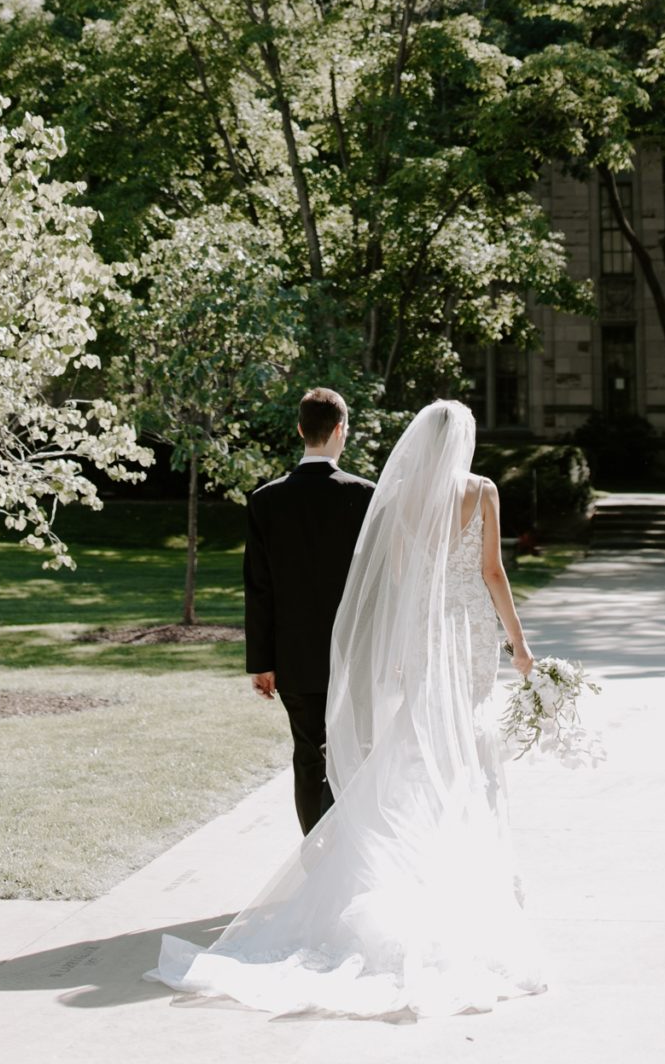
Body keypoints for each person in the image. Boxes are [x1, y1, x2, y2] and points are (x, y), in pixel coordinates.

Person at [157, 398, 545, 1019]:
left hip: (392, 641)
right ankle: (442, 870)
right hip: (461, 636)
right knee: (450, 748)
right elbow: (492, 572)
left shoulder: (385, 498)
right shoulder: (453, 493)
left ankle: (352, 859)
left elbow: (382, 579)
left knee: (375, 747)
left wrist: (373, 651)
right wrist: (519, 646)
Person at [242, 385, 374, 833]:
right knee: (349, 754)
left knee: (306, 755)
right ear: (342, 430)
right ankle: (339, 855)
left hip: (293, 657)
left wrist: (260, 662)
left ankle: (314, 854)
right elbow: (377, 586)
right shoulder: (366, 497)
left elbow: (258, 588)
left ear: (301, 430)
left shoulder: (265, 500)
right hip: (354, 655)